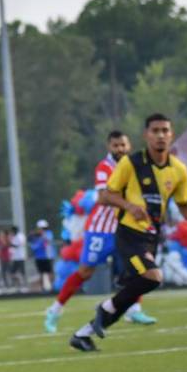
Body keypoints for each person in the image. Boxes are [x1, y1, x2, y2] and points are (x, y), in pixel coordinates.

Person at [70, 114, 187, 351]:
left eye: (165, 130)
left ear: (171, 135)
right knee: (153, 277)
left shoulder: (178, 170)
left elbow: (184, 204)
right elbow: (106, 196)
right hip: (128, 234)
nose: (160, 135)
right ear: (146, 135)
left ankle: (83, 334)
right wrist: (129, 206)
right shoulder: (131, 163)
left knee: (132, 294)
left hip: (151, 236)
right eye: (155, 131)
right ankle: (105, 308)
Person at [45, 131, 155, 332]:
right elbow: (104, 197)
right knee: (85, 272)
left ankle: (134, 310)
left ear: (129, 145)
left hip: (126, 228)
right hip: (101, 230)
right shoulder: (104, 167)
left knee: (138, 268)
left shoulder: (136, 165)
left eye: (123, 145)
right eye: (116, 146)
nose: (120, 149)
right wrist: (130, 204)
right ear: (109, 147)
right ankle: (54, 310)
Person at [31, 221, 54, 292]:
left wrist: (43, 235)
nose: (42, 230)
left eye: (43, 228)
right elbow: (33, 245)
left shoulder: (48, 233)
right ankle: (42, 288)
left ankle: (52, 287)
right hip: (38, 257)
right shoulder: (35, 236)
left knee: (50, 272)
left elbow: (48, 240)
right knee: (41, 273)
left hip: (48, 256)